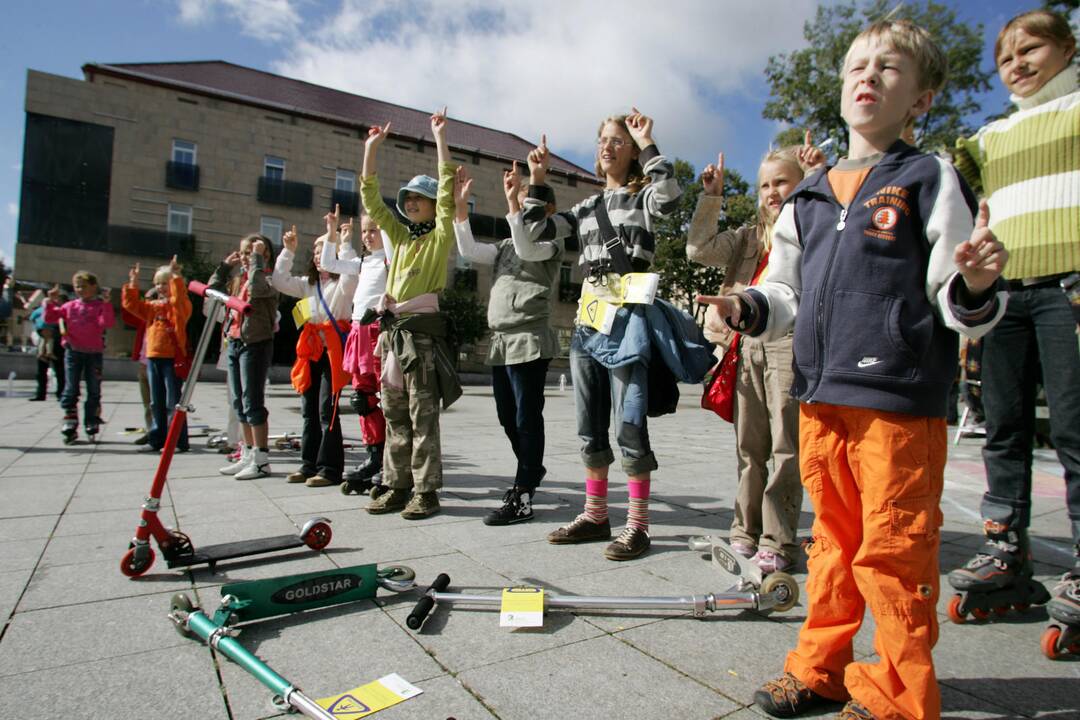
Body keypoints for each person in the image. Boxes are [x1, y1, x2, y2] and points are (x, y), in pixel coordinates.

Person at [698, 19, 1010, 719]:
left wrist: (978, 287)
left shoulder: (929, 177)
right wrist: (747, 305)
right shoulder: (807, 194)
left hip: (898, 401)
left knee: (894, 551)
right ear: (842, 90)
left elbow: (954, 294)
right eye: (856, 67)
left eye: (889, 68)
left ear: (921, 100)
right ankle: (820, 667)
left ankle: (900, 695)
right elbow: (784, 292)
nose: (868, 76)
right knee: (833, 547)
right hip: (820, 397)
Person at [947, 8, 1080, 629]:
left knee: (1076, 433)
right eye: (1006, 57)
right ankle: (1005, 550)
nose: (1018, 64)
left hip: (1072, 289)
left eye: (1032, 49)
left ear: (1066, 48)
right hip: (1005, 296)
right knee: (1003, 427)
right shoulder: (988, 139)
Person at [524, 112, 689, 561]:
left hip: (629, 323)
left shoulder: (643, 198)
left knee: (630, 425)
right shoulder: (583, 209)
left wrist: (649, 140)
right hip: (588, 322)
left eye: (619, 141)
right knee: (588, 428)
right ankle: (596, 516)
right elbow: (536, 235)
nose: (608, 147)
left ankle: (639, 526)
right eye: (603, 140)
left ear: (632, 151)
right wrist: (537, 182)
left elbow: (671, 199)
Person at [686, 141, 821, 574]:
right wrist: (712, 197)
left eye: (782, 181)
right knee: (749, 447)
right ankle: (744, 532)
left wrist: (822, 181)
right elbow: (698, 248)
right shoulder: (747, 237)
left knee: (786, 447)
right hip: (746, 344)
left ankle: (778, 540)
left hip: (791, 341)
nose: (771, 191)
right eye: (765, 184)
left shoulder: (812, 228)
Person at [359, 108, 462, 520]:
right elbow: (371, 200)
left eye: (420, 197)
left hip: (420, 338)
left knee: (423, 417)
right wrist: (370, 149)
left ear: (433, 204)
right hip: (392, 338)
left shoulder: (439, 237)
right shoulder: (399, 238)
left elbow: (450, 189)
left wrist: (439, 137)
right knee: (394, 415)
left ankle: (426, 491)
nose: (411, 201)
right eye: (409, 197)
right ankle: (396, 485)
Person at [454, 161, 562, 525]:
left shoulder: (550, 244)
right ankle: (531, 470)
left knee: (526, 416)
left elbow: (527, 245)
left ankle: (524, 490)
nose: (517, 203)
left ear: (548, 211)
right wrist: (460, 206)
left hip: (529, 337)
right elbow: (468, 251)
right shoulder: (502, 247)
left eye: (527, 200)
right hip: (502, 340)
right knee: (506, 415)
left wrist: (517, 202)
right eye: (516, 199)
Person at [273, 213, 358, 487]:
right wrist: (288, 251)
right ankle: (308, 464)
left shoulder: (342, 284)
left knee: (326, 410)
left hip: (332, 351)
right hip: (311, 350)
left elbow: (351, 276)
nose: (320, 255)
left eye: (326, 250)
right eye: (317, 251)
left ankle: (330, 469)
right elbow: (279, 281)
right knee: (308, 410)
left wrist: (343, 243)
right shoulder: (308, 285)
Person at [316, 212, 392, 495]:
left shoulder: (389, 259)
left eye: (374, 230)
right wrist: (333, 232)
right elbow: (328, 262)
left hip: (378, 330)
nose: (368, 235)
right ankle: (374, 456)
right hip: (358, 330)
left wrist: (385, 226)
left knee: (386, 397)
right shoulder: (364, 261)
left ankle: (390, 461)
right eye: (365, 231)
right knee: (363, 397)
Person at [211, 233, 279, 480]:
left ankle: (261, 459)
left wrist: (257, 263)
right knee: (239, 403)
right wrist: (225, 268)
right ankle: (248, 453)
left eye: (253, 251)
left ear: (265, 254)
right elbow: (213, 292)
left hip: (256, 343)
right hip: (235, 341)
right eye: (244, 252)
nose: (247, 256)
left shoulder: (270, 277)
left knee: (252, 402)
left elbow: (259, 289)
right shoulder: (238, 279)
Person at [122, 256, 192, 453]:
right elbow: (132, 305)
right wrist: (133, 284)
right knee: (156, 401)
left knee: (173, 402)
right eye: (158, 283)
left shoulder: (179, 306)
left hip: (172, 359)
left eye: (165, 283)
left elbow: (179, 300)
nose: (161, 287)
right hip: (153, 357)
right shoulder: (153, 307)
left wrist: (176, 276)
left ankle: (178, 441)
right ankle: (156, 439)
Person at [44, 271, 116, 443]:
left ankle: (91, 419)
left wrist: (106, 304)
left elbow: (107, 323)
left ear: (93, 287)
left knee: (94, 389)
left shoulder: (99, 306)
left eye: (84, 286)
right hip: (73, 351)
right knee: (71, 388)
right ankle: (70, 420)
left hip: (94, 353)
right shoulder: (69, 306)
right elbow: (49, 317)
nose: (80, 290)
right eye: (77, 287)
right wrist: (50, 301)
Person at [26, 288, 65, 402]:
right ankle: (41, 393)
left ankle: (60, 393)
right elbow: (33, 318)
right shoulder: (41, 310)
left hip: (56, 341)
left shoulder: (61, 310)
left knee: (59, 370)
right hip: (44, 339)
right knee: (42, 370)